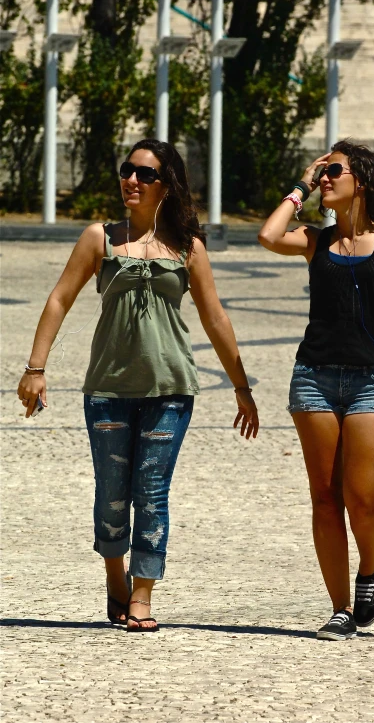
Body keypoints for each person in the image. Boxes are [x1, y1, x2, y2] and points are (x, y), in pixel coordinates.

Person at [17, 139, 259, 632]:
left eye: (145, 174)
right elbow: (60, 298)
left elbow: (215, 318)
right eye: (127, 170)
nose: (132, 179)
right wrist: (35, 367)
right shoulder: (99, 238)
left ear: (166, 185)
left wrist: (242, 387)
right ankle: (115, 578)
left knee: (152, 490)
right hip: (107, 387)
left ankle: (143, 590)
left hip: (170, 388)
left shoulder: (188, 247)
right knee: (111, 492)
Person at [258, 141, 374, 641]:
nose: (325, 178)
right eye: (322, 172)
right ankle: (340, 607)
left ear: (360, 180)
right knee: (325, 499)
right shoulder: (314, 240)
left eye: (333, 171)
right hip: (314, 378)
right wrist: (301, 185)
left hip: (373, 379)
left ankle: (370, 566)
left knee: (361, 499)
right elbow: (266, 234)